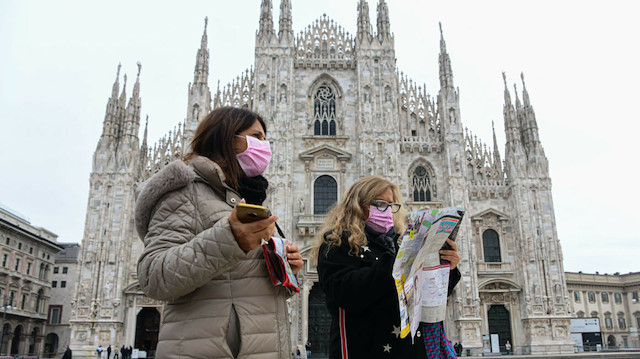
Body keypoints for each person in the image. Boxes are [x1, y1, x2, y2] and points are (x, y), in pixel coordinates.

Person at [135, 107, 303, 359]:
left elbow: (239, 284)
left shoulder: (246, 198)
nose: (264, 146)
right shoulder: (186, 191)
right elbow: (153, 277)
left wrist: (286, 269)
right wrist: (230, 239)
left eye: (265, 140)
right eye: (256, 137)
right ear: (227, 137)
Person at [315, 176, 461, 359]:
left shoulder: (399, 243)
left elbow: (422, 297)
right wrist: (395, 261)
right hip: (364, 349)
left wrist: (447, 268)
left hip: (408, 349)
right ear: (358, 205)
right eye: (380, 204)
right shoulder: (336, 243)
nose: (387, 211)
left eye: (391, 205)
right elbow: (346, 293)